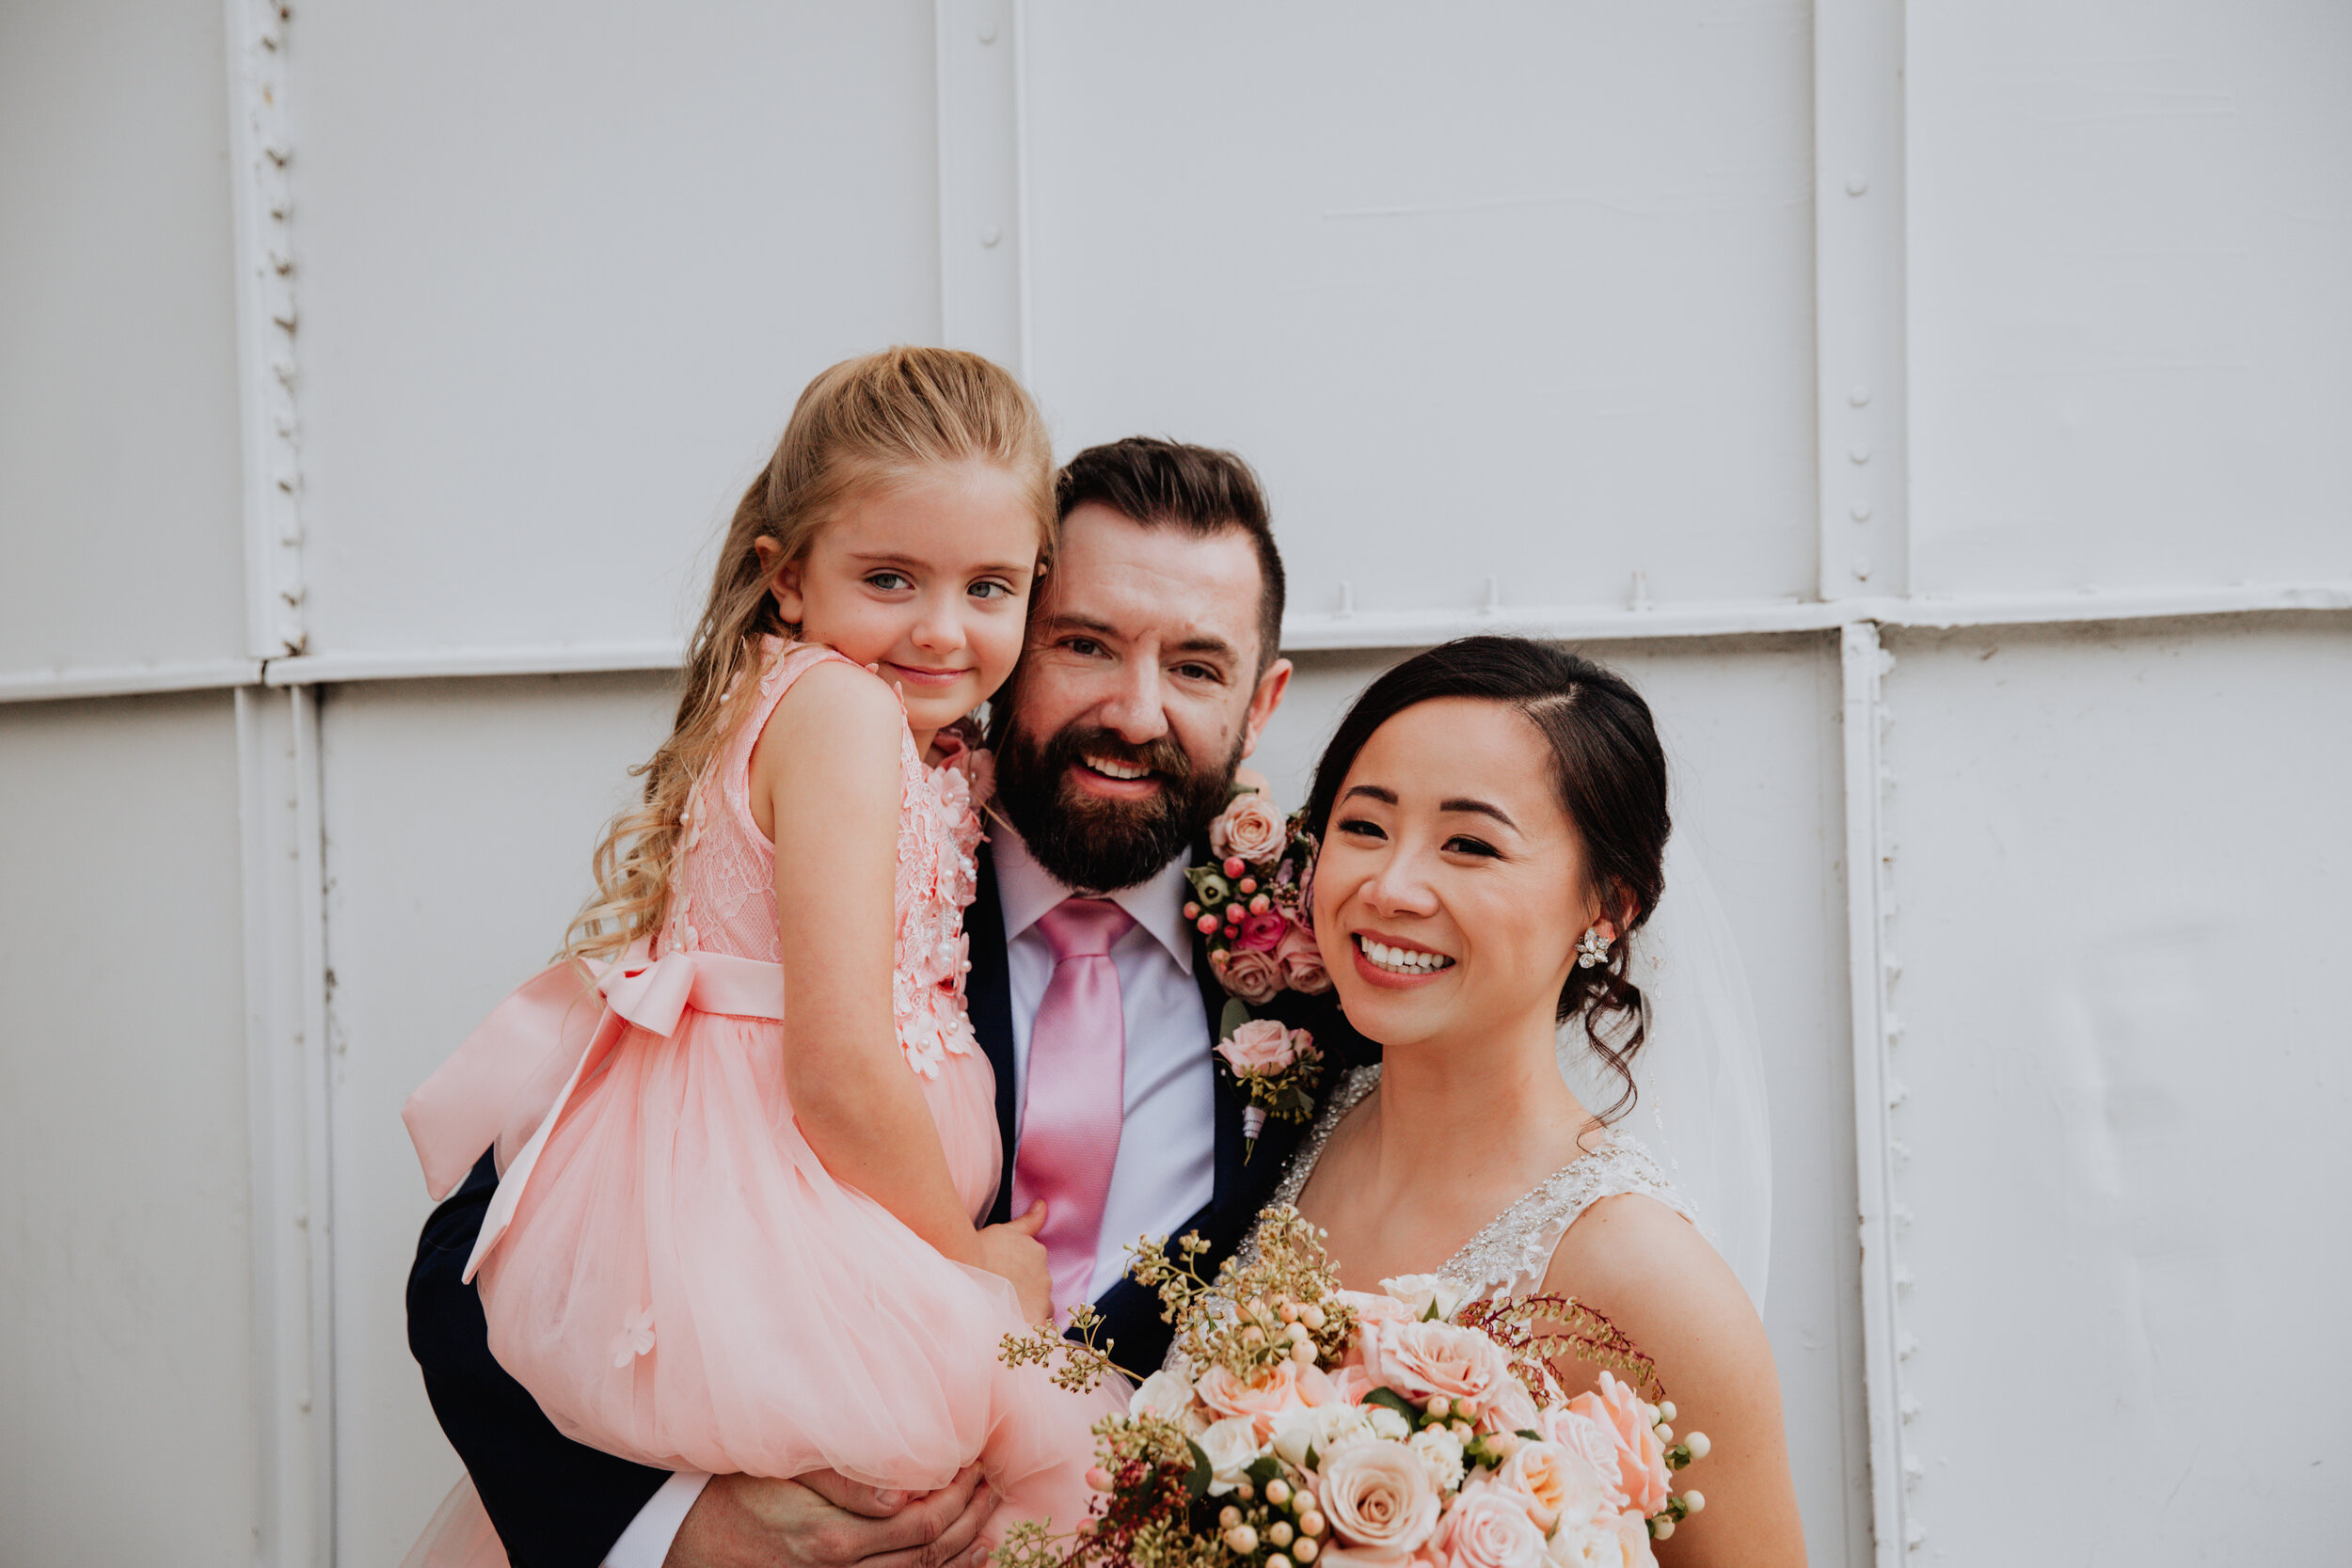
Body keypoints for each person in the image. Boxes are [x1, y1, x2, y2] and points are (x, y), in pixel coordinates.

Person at [405, 434, 1353, 1568]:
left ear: (1262, 702)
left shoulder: (1326, 968)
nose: (1135, 711)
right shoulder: (855, 878)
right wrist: (681, 1530)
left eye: (1197, 666)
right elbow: (474, 1258)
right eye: (1084, 645)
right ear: (1011, 644)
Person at [1239, 636, 1805, 1565]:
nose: (1389, 886)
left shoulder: (1646, 1279)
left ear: (1607, 904)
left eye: (1469, 843)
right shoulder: (1296, 1121)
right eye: (1364, 825)